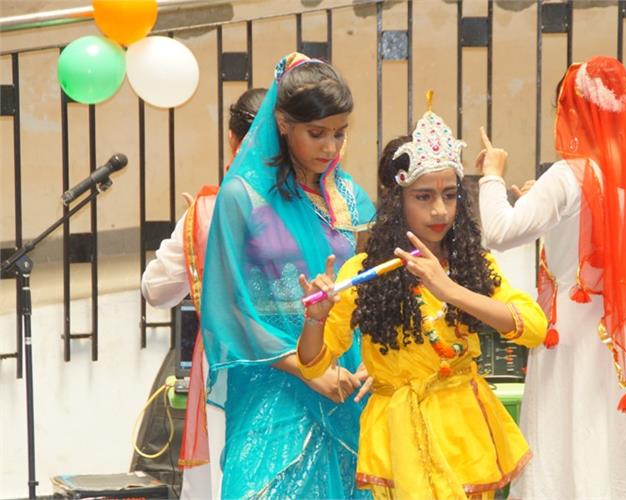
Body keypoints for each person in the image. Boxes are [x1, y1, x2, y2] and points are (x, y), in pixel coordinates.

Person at [297, 97, 547, 499]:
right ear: (398, 201)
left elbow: (534, 327)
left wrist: (450, 290)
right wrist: (316, 319)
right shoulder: (364, 272)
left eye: (450, 195)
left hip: (464, 435)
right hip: (396, 441)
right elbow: (313, 364)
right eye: (424, 197)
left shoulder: (471, 266)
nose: (440, 211)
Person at [477, 56, 626, 499]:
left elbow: (499, 231)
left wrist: (491, 176)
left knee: (573, 425)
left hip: (575, 332)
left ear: (575, 111)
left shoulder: (567, 175)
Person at [199, 52, 376, 499]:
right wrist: (306, 369)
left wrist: (375, 361)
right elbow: (226, 307)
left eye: (339, 133)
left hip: (345, 376)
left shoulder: (348, 197)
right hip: (272, 379)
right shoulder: (242, 196)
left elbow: (370, 287)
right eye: (316, 133)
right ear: (282, 123)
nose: (330, 147)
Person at [140, 87, 266, 499]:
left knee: (221, 475)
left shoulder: (208, 212)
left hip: (224, 363)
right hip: (300, 360)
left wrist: (192, 229)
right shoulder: (317, 207)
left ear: (232, 138)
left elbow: (156, 290)